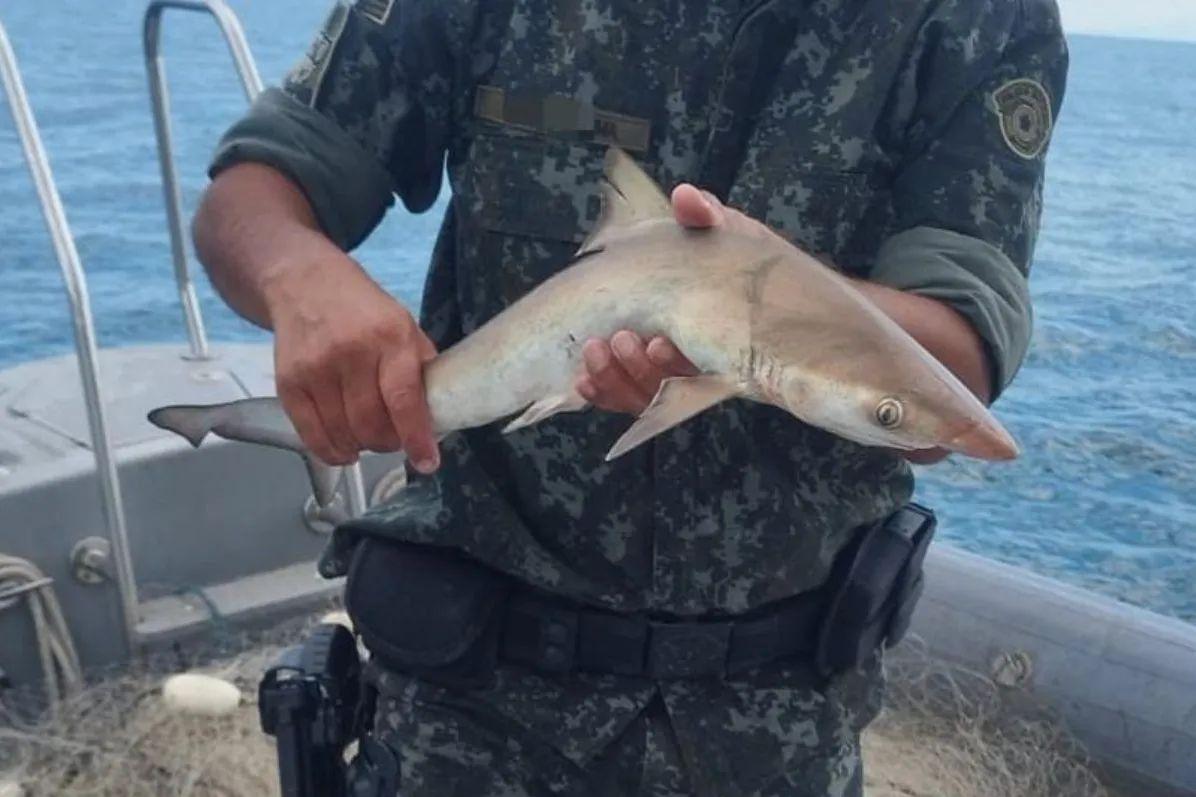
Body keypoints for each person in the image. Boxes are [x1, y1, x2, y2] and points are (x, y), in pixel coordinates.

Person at [193, 0, 1068, 794]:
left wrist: (751, 297)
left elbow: (959, 351)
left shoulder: (977, 16)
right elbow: (251, 197)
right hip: (467, 701)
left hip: (778, 721)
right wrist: (299, 276)